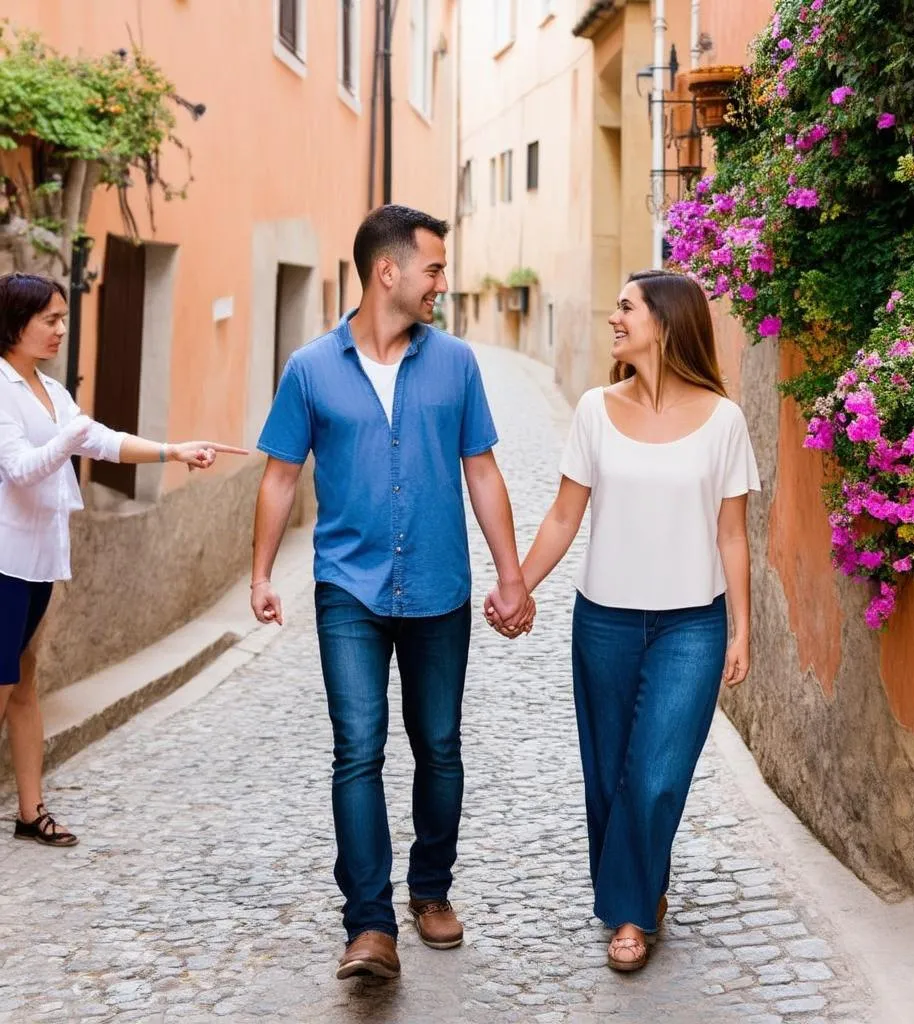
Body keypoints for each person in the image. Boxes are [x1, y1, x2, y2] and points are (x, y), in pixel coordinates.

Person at [250, 204, 533, 982]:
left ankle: (431, 889)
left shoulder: (456, 365)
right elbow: (280, 475)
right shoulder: (311, 368)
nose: (444, 281)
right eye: (435, 268)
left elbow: (482, 469)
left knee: (439, 747)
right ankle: (370, 925)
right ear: (389, 272)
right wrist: (260, 572)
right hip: (349, 586)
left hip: (440, 585)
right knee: (357, 749)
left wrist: (512, 574)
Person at [490, 270, 760, 972]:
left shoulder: (723, 421)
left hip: (690, 628)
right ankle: (642, 890)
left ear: (665, 323)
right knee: (608, 774)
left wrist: (742, 626)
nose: (613, 317)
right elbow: (563, 514)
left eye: (626, 308)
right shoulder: (593, 410)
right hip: (604, 621)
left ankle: (630, 916)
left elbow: (733, 534)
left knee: (656, 775)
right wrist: (518, 584)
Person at [0, 272, 248, 848]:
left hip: (41, 560)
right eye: (52, 320)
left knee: (27, 685)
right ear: (16, 322)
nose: (63, 328)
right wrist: (73, 436)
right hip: (6, 560)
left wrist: (173, 450)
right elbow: (20, 468)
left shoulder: (50, 390)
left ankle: (30, 810)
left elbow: (102, 442)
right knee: (3, 685)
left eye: (64, 318)